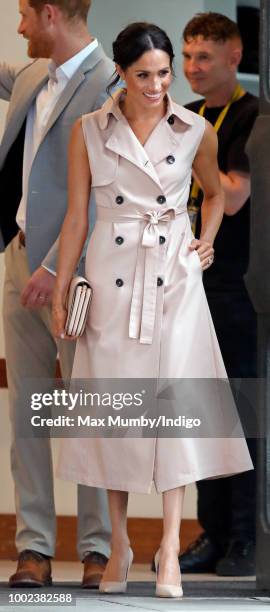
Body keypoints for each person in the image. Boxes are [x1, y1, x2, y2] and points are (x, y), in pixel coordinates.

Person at [52, 22, 253, 598]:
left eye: (164, 73)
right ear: (120, 72)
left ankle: (169, 545)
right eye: (145, 75)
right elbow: (75, 219)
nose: (158, 84)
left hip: (174, 281)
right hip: (112, 284)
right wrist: (65, 286)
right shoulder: (88, 131)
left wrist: (205, 238)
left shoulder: (194, 129)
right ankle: (119, 542)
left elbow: (214, 193)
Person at [0, 0, 115, 589]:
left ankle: (98, 551)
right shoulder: (29, 76)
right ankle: (34, 550)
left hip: (75, 272)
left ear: (49, 14)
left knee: (86, 411)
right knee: (26, 411)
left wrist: (56, 267)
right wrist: (31, 262)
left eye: (22, 14)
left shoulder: (112, 83)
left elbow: (105, 191)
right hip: (18, 260)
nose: (17, 26)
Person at [179, 12, 258, 576]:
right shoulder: (185, 115)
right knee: (200, 412)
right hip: (187, 285)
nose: (191, 68)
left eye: (204, 57)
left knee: (241, 412)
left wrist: (192, 157)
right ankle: (209, 530)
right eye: (185, 56)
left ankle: (244, 537)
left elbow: (230, 197)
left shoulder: (255, 115)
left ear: (235, 57)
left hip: (236, 288)